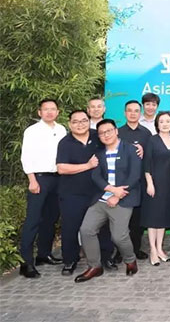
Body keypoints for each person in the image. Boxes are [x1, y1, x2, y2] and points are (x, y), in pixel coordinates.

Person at [74, 119, 141, 282]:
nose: (106, 135)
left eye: (109, 131)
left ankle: (130, 260)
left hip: (123, 199)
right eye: (102, 133)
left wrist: (117, 195)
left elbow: (135, 175)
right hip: (102, 199)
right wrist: (111, 190)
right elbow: (96, 176)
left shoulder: (131, 150)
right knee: (86, 230)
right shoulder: (98, 153)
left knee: (119, 237)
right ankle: (95, 266)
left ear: (116, 131)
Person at [56, 110, 114, 275]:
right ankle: (70, 260)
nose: (80, 124)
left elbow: (115, 144)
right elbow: (61, 168)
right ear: (69, 124)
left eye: (83, 121)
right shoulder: (65, 143)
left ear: (89, 121)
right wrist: (87, 166)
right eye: (75, 122)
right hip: (72, 194)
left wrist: (137, 148)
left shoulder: (98, 136)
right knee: (70, 228)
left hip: (98, 192)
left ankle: (106, 257)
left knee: (103, 227)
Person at [18, 99, 67, 278]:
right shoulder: (32, 131)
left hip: (58, 179)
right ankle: (26, 262)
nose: (49, 112)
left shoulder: (61, 129)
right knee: (33, 219)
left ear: (58, 112)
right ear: (39, 112)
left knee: (50, 218)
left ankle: (44, 254)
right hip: (39, 179)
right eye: (46, 109)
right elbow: (26, 156)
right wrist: (32, 179)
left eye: (53, 109)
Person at [141, 111, 170, 266]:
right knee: (153, 218)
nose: (165, 124)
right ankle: (152, 249)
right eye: (162, 121)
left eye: (168, 121)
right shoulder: (152, 140)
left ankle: (160, 248)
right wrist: (149, 183)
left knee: (163, 217)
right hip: (154, 183)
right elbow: (147, 163)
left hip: (169, 184)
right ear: (157, 124)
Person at [117, 100, 152, 260]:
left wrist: (144, 152)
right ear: (125, 113)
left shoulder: (146, 133)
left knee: (137, 218)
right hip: (121, 182)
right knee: (121, 219)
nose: (132, 113)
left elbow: (151, 157)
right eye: (129, 110)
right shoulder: (117, 132)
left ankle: (136, 249)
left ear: (140, 113)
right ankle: (119, 252)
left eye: (136, 111)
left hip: (140, 181)